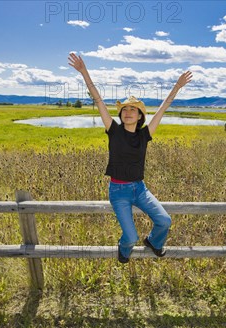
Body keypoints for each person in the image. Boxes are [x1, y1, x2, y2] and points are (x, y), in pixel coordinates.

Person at [68, 53, 192, 263]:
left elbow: (163, 108)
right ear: (121, 114)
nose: (128, 112)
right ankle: (123, 250)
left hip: (140, 189)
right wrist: (84, 72)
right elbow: (98, 99)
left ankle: (154, 242)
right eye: (125, 109)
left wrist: (177, 87)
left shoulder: (145, 134)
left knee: (164, 220)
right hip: (118, 192)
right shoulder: (113, 130)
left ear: (140, 116)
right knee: (131, 238)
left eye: (133, 109)